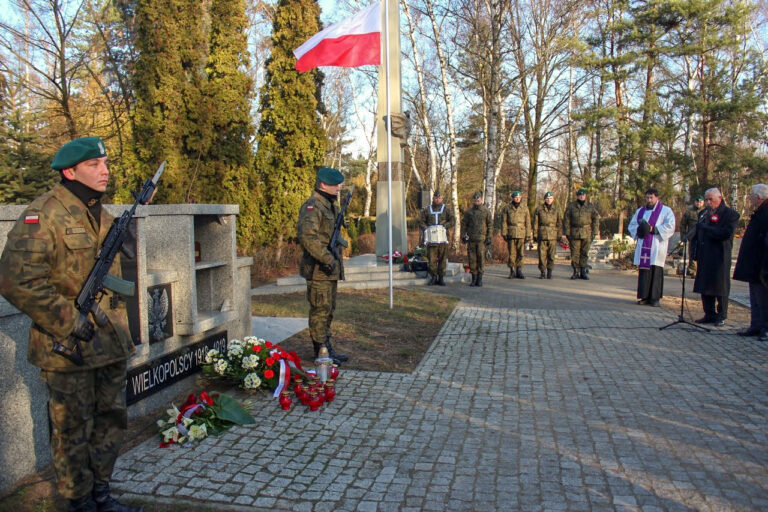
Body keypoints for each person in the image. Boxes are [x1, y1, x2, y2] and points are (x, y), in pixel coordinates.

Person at [0, 137, 143, 512]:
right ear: (70, 171)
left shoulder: (103, 214)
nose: (105, 170)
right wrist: (67, 320)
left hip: (109, 343)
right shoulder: (43, 214)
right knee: (71, 430)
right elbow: (15, 280)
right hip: (69, 350)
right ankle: (79, 502)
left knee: (110, 422)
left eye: (106, 162)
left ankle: (102, 494)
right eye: (95, 164)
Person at [298, 167, 349, 364]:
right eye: (335, 184)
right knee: (320, 310)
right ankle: (320, 351)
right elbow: (308, 237)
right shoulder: (313, 207)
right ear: (323, 185)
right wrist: (328, 259)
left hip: (329, 269)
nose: (339, 187)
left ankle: (327, 347)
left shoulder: (330, 206)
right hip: (319, 269)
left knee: (328, 309)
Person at [691, 187, 740, 327]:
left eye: (710, 199)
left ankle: (721, 315)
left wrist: (707, 229)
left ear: (719, 198)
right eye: (706, 199)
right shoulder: (704, 213)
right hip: (704, 254)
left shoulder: (730, 214)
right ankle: (709, 313)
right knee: (705, 285)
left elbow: (725, 233)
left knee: (720, 286)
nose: (708, 202)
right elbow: (697, 232)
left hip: (720, 256)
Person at [627, 188, 676, 306]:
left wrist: (654, 229)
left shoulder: (666, 211)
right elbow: (632, 225)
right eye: (647, 198)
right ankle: (644, 296)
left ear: (657, 198)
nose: (649, 200)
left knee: (656, 271)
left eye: (651, 198)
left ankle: (655, 298)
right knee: (644, 271)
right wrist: (639, 230)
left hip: (657, 245)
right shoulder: (640, 211)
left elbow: (670, 226)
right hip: (644, 245)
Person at [732, 184, 768, 341]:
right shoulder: (759, 211)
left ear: (759, 198)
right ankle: (756, 325)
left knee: (763, 298)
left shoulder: (766, 212)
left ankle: (765, 327)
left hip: (762, 263)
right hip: (753, 263)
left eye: (752, 196)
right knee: (754, 296)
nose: (750, 199)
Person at [418, 189, 455, 286]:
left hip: (443, 239)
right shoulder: (427, 209)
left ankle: (441, 277)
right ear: (433, 198)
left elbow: (452, 220)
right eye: (436, 198)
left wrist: (445, 226)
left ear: (441, 198)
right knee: (432, 259)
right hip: (431, 239)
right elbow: (421, 221)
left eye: (439, 198)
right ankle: (433, 277)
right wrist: (425, 228)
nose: (437, 199)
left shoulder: (446, 209)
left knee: (443, 259)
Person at [562, 188, 599, 280]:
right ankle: (575, 272)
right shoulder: (571, 206)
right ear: (577, 196)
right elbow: (566, 220)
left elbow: (595, 219)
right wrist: (567, 232)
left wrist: (595, 232)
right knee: (575, 253)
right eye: (580, 195)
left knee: (584, 252)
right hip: (574, 232)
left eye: (583, 195)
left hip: (586, 232)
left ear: (585, 196)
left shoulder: (590, 206)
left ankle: (583, 272)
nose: (582, 196)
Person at [461, 191, 492, 287]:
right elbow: (464, 225)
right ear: (473, 201)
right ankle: (473, 278)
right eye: (475, 200)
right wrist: (464, 236)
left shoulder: (486, 211)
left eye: (478, 200)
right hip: (471, 239)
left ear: (481, 200)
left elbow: (490, 225)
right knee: (472, 259)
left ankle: (480, 278)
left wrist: (489, 237)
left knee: (481, 259)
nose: (476, 201)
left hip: (482, 240)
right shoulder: (468, 212)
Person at [500, 190, 531, 279]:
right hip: (511, 232)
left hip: (521, 232)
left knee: (521, 253)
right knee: (511, 253)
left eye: (519, 197)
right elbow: (504, 221)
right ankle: (512, 271)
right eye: (516, 197)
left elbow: (528, 222)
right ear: (513, 198)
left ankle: (519, 270)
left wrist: (528, 234)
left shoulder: (525, 208)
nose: (517, 199)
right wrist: (504, 232)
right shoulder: (507, 208)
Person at [532, 191, 561, 279]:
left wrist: (559, 234)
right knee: (542, 255)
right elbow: (535, 223)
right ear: (544, 199)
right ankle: (542, 271)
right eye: (547, 198)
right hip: (542, 234)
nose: (549, 200)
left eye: (551, 198)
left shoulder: (556, 209)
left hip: (553, 234)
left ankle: (550, 271)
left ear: (553, 199)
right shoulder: (539, 209)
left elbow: (559, 223)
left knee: (551, 255)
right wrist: (535, 234)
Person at [680, 195, 705, 275]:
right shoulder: (689, 211)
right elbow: (683, 224)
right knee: (692, 253)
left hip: (703, 237)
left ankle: (701, 271)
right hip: (692, 236)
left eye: (700, 202)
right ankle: (692, 271)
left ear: (703, 202)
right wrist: (683, 236)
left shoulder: (706, 211)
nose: (698, 203)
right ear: (695, 202)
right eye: (697, 201)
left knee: (703, 254)